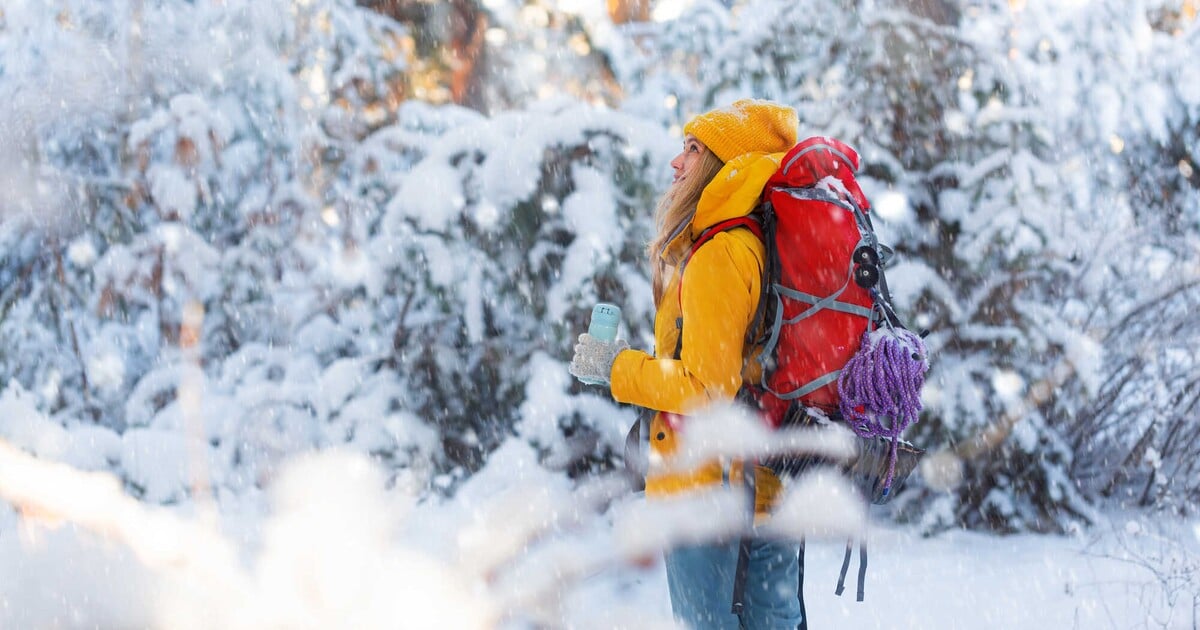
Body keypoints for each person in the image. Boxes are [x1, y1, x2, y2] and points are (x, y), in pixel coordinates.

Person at [569, 99, 803, 629]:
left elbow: (704, 390)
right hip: (764, 486)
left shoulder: (721, 254)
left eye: (694, 149)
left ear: (725, 166)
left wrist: (616, 367)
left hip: (710, 493)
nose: (678, 162)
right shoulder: (759, 243)